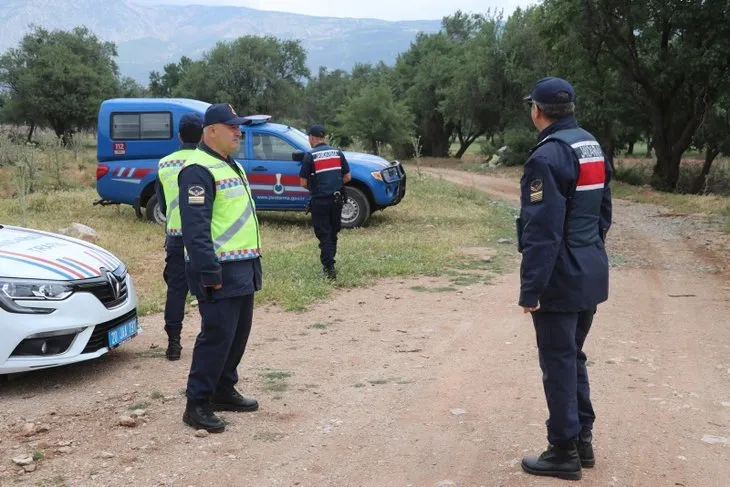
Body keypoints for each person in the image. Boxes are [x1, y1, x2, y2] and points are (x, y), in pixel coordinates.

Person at [516, 77, 612, 481]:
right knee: (572, 356)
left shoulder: (548, 156)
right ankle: (582, 441)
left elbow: (543, 230)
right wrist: (590, 252)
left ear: (536, 111)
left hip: (560, 276)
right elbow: (604, 210)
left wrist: (531, 289)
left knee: (557, 362)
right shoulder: (590, 144)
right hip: (589, 268)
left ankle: (562, 452)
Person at [178, 103, 262, 433]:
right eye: (232, 127)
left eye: (238, 126)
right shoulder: (198, 169)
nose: (238, 132)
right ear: (211, 131)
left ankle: (223, 390)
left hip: (242, 266)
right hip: (219, 270)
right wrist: (209, 272)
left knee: (237, 336)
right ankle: (196, 403)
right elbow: (195, 229)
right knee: (216, 336)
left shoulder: (230, 165)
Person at [155, 113, 203, 361]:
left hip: (175, 235)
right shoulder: (208, 162)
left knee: (176, 290)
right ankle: (210, 340)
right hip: (204, 236)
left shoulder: (164, 163)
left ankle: (173, 343)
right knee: (209, 288)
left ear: (179, 135)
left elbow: (162, 207)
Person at [298, 124, 351, 280]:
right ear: (324, 137)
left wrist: (316, 189)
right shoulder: (337, 153)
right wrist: (334, 184)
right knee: (333, 233)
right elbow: (348, 177)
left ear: (312, 138)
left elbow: (302, 182)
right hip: (337, 200)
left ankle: (329, 268)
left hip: (320, 202)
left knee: (324, 235)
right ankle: (330, 264)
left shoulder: (310, 156)